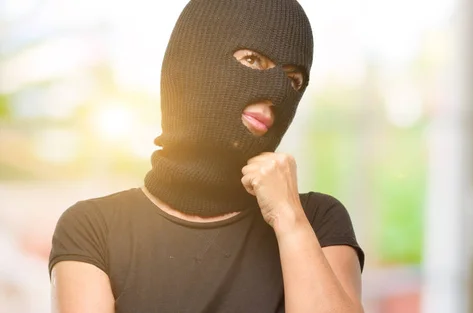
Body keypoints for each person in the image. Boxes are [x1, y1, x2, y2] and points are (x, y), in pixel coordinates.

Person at [48, 0, 365, 312]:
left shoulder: (316, 220)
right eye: (253, 60)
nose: (278, 92)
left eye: (294, 80)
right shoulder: (93, 229)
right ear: (194, 61)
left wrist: (290, 220)